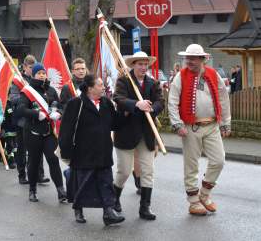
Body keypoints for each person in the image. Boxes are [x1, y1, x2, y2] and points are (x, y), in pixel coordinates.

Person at [168, 44, 231, 215]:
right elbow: (172, 101)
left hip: (212, 125)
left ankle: (204, 194)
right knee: (191, 165)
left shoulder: (213, 74)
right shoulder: (180, 77)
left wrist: (226, 122)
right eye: (187, 58)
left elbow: (223, 99)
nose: (189, 61)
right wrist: (177, 123)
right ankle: (193, 202)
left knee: (219, 160)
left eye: (193, 58)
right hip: (190, 127)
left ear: (203, 59)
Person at [59, 75, 126, 226]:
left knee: (106, 182)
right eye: (100, 85)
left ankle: (108, 212)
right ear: (90, 88)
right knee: (82, 183)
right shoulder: (76, 104)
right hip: (83, 153)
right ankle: (78, 208)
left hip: (103, 151)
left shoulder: (106, 103)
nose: (103, 87)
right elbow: (66, 130)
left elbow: (115, 124)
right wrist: (66, 151)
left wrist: (125, 113)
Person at [112, 51, 164, 220]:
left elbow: (160, 101)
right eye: (139, 64)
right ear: (133, 65)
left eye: (145, 64)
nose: (143, 67)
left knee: (148, 171)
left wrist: (152, 108)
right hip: (126, 133)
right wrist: (137, 104)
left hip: (146, 133)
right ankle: (113, 200)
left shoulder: (153, 83)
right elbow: (118, 99)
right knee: (124, 171)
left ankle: (145, 208)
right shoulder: (124, 81)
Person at [17, 63, 66, 202]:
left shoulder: (51, 90)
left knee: (53, 159)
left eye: (44, 73)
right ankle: (32, 190)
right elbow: (20, 109)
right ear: (34, 75)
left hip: (49, 132)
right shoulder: (27, 91)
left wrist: (59, 113)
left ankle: (61, 190)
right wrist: (35, 114)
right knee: (34, 162)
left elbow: (60, 105)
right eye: (39, 73)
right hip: (32, 132)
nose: (42, 75)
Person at [9, 55, 49, 185]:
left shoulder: (40, 80)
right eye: (31, 67)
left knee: (39, 148)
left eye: (35, 68)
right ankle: (22, 175)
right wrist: (25, 93)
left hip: (38, 120)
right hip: (22, 120)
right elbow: (12, 98)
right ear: (25, 66)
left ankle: (39, 174)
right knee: (22, 149)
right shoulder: (17, 81)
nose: (33, 70)